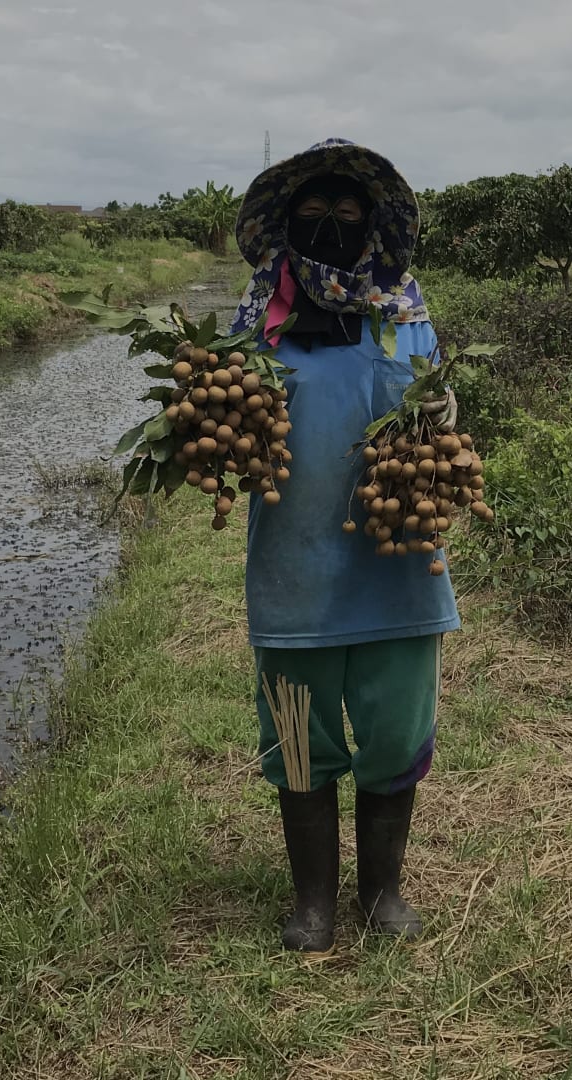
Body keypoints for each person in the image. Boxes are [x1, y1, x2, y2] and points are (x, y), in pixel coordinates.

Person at [227, 139, 458, 954]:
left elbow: (440, 416)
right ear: (286, 222)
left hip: (396, 568)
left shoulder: (408, 316)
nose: (330, 224)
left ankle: (384, 892)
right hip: (296, 570)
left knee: (395, 732)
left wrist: (442, 434)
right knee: (297, 735)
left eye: (347, 211)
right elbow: (227, 427)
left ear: (376, 223)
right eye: (313, 212)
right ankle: (314, 903)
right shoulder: (260, 320)